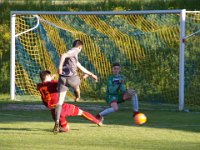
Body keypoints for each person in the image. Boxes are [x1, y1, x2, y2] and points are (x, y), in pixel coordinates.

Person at [37, 70, 102, 134]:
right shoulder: (52, 83)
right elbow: (69, 82)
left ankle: (61, 127)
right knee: (81, 112)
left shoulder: (39, 86)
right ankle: (98, 122)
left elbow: (47, 84)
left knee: (66, 127)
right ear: (48, 76)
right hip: (62, 107)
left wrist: (51, 78)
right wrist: (81, 77)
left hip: (53, 111)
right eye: (50, 75)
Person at [54, 39, 98, 133]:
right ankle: (78, 96)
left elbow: (81, 67)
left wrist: (91, 74)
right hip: (71, 79)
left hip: (62, 79)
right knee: (77, 83)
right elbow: (63, 55)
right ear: (79, 47)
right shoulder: (74, 51)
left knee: (59, 103)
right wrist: (60, 67)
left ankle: (57, 122)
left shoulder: (73, 57)